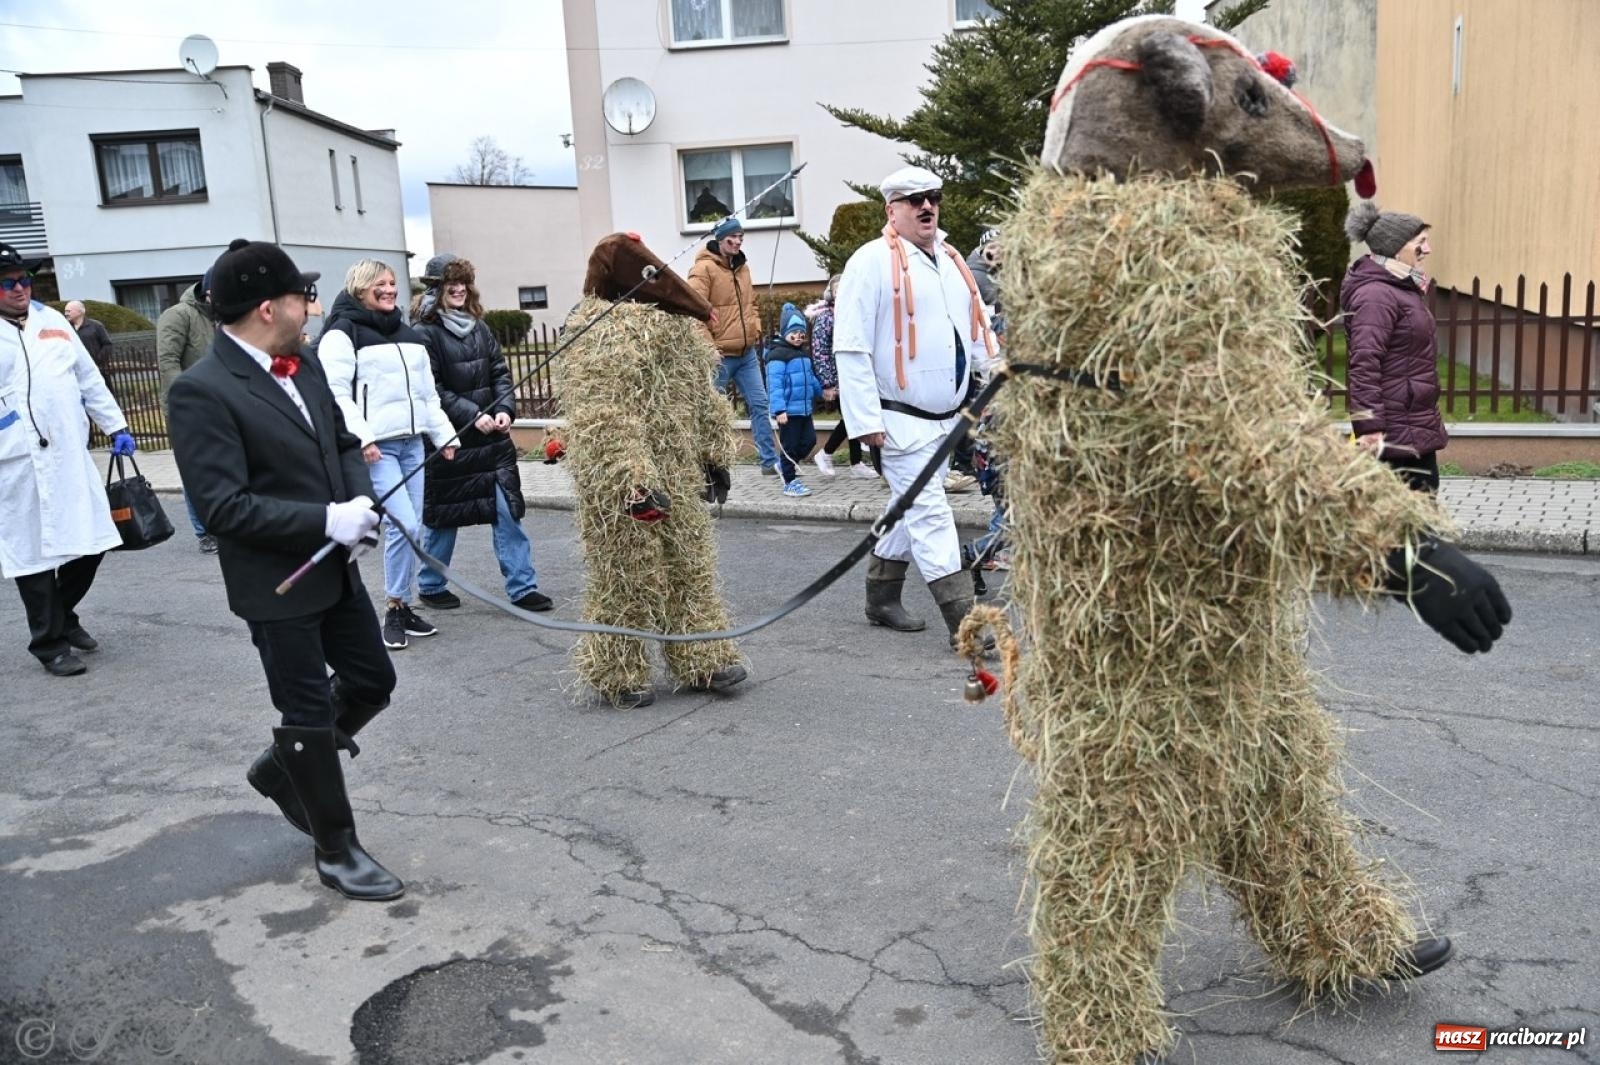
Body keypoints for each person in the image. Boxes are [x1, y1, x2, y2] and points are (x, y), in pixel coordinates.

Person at [168, 237, 404, 902]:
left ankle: (281, 769)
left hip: (334, 567)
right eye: (305, 296)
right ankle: (337, 848)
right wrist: (326, 520)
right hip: (276, 584)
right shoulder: (200, 391)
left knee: (373, 680)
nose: (312, 306)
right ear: (269, 308)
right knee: (305, 711)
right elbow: (222, 506)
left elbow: (342, 441)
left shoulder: (304, 363)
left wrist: (359, 500)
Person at [833, 166, 996, 647]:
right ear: (892, 210)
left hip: (945, 421)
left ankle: (881, 597)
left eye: (933, 197)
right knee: (930, 514)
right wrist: (864, 421)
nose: (927, 206)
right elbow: (851, 346)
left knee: (908, 508)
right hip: (897, 421)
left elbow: (975, 328)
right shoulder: (869, 262)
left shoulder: (950, 259)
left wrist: (999, 375)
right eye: (914, 199)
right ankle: (966, 624)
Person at [0, 244, 134, 677]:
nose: (19, 288)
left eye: (23, 279)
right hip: (16, 461)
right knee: (33, 556)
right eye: (7, 282)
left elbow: (87, 378)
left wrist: (116, 425)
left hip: (67, 454)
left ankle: (63, 615)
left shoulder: (53, 321)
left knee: (93, 540)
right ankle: (50, 644)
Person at [318, 260, 457, 651]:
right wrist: (362, 438)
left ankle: (401, 605)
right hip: (378, 449)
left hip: (413, 444)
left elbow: (427, 395)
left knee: (413, 528)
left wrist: (444, 435)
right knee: (405, 525)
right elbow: (335, 393)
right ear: (360, 287)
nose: (390, 289)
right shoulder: (341, 333)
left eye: (393, 283)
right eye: (380, 283)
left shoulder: (408, 334)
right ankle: (394, 607)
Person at [410, 253, 552, 613]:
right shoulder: (423, 333)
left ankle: (523, 588)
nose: (459, 289)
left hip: (492, 443)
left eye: (463, 282)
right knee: (444, 517)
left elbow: (500, 373)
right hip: (450, 441)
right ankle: (431, 585)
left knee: (508, 512)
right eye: (451, 283)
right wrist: (472, 416)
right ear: (436, 289)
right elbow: (431, 389)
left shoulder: (480, 327)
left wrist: (504, 410)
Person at [1342, 201, 1449, 493]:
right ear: (1396, 248)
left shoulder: (1400, 288)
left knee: (1419, 509)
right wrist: (1369, 428)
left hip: (1410, 425)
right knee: (1413, 513)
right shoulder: (1377, 295)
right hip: (1394, 433)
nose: (1427, 249)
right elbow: (1364, 363)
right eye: (1420, 242)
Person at [687, 216, 780, 475]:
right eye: (733, 237)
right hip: (719, 356)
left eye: (741, 237)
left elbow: (751, 304)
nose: (738, 241)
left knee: (760, 404)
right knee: (711, 412)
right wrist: (709, 348)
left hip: (746, 354)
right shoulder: (703, 269)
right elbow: (693, 312)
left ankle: (769, 461)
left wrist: (755, 327)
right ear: (720, 239)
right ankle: (707, 464)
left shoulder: (742, 267)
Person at [157, 270, 218, 553]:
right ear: (207, 291)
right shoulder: (178, 315)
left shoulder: (222, 316)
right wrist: (186, 403)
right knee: (195, 471)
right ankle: (204, 532)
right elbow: (168, 362)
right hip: (188, 408)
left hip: (219, 404)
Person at [805, 275, 874, 481]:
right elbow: (820, 351)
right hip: (838, 377)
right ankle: (826, 453)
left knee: (853, 417)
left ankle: (855, 463)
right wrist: (827, 382)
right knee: (852, 418)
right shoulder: (826, 318)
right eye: (837, 290)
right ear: (831, 294)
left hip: (853, 374)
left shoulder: (853, 314)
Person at [764, 302, 823, 498]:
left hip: (804, 409)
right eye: (794, 332)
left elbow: (810, 378)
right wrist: (779, 409)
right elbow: (775, 385)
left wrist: (821, 391)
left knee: (810, 440)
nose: (798, 336)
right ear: (784, 332)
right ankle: (789, 482)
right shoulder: (777, 355)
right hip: (788, 411)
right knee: (789, 446)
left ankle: (784, 465)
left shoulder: (802, 354)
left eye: (801, 333)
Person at [63, 299, 115, 368]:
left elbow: (107, 345)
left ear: (80, 311)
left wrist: (97, 360)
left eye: (68, 311)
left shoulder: (96, 326)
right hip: (76, 369)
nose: (66, 314)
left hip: (97, 369)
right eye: (65, 311)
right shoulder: (66, 328)